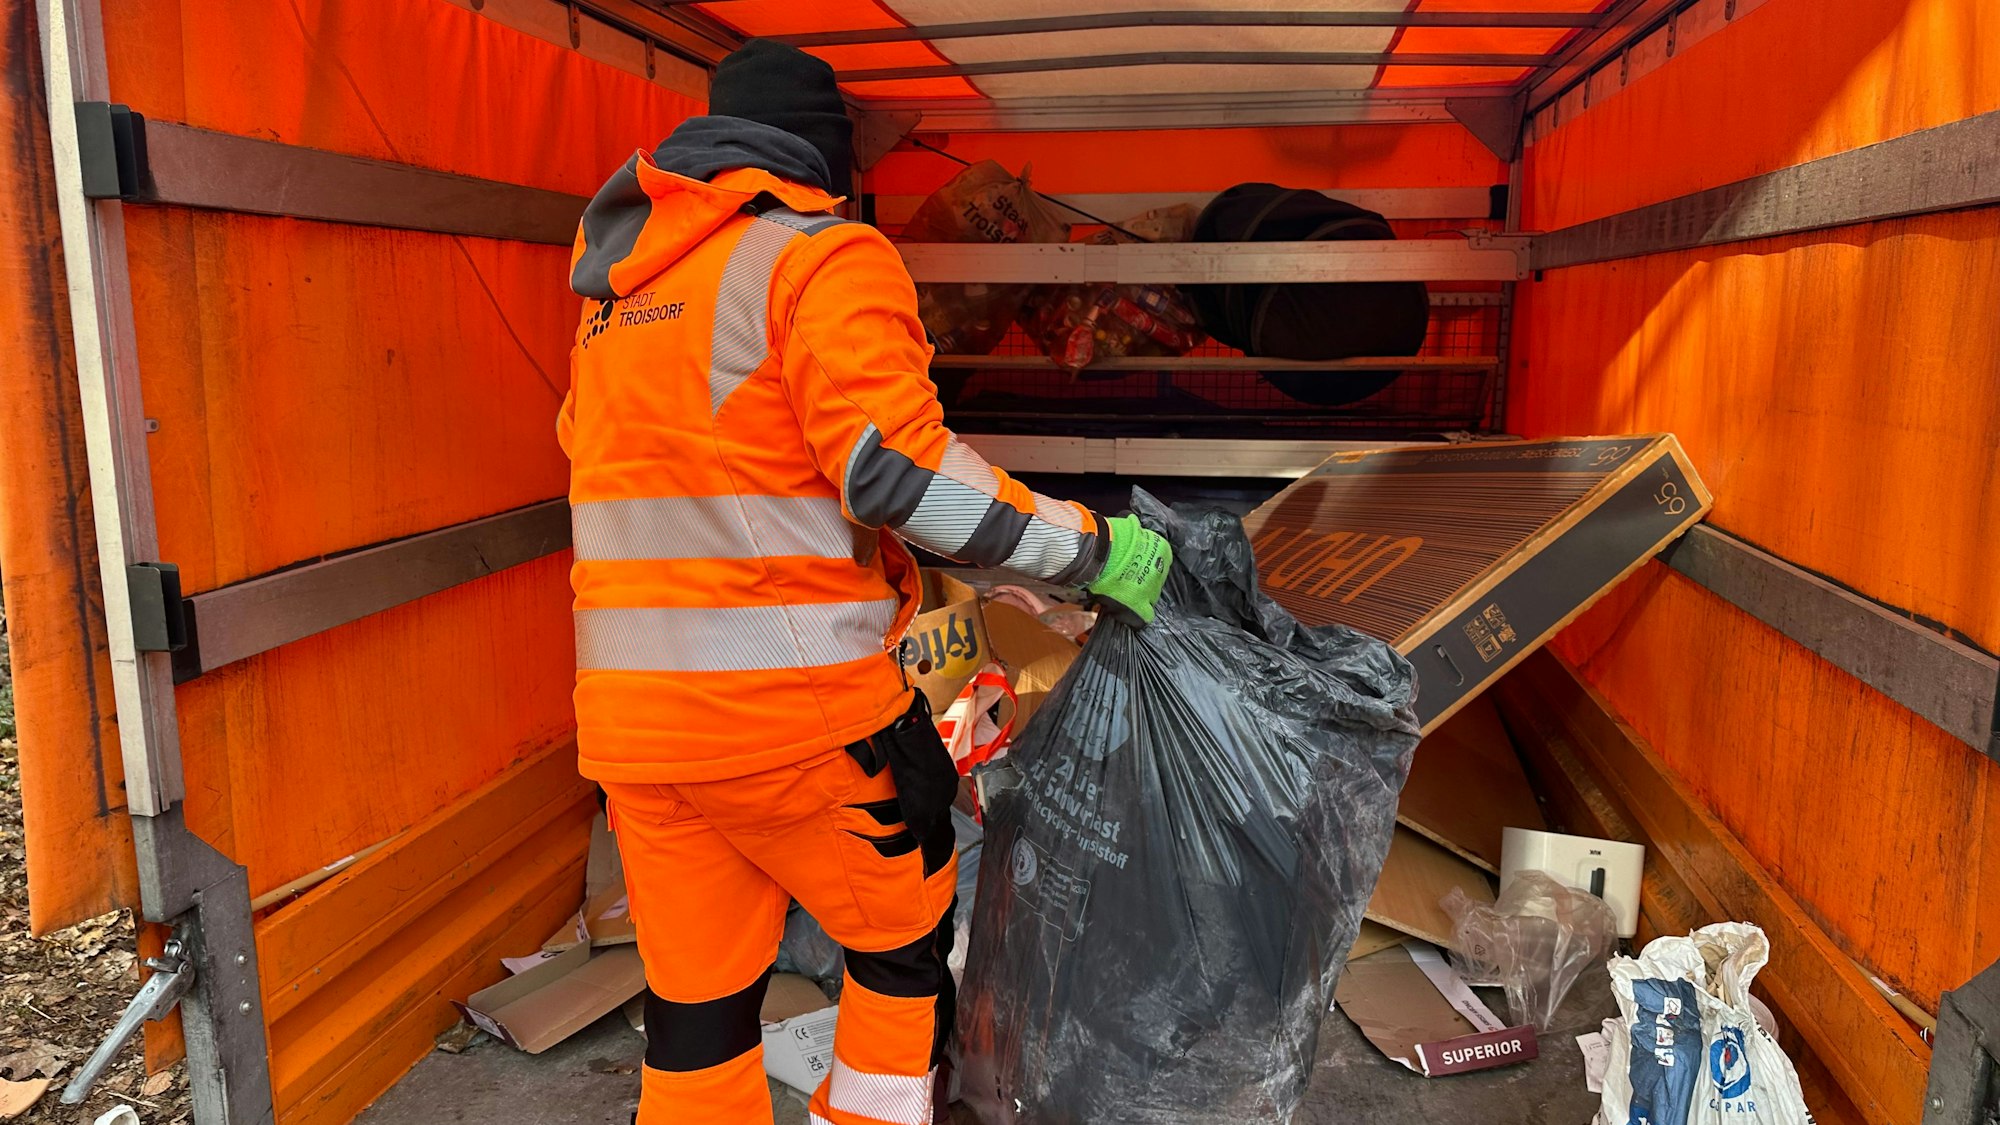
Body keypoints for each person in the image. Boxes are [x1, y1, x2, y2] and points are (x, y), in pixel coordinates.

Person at [556, 38, 1172, 1125]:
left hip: (635, 737)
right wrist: (1091, 549)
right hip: (792, 724)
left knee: (695, 1005)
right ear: (826, 161)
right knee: (900, 946)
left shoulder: (615, 303)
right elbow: (899, 475)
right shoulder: (819, 256)